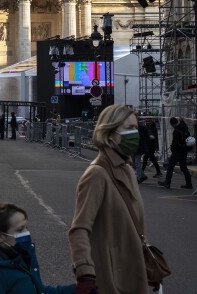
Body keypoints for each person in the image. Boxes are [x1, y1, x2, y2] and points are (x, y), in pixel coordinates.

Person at [69, 104, 151, 294]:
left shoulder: (127, 170)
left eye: (136, 128)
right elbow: (79, 229)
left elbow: (135, 226)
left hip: (132, 271)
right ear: (110, 133)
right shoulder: (97, 174)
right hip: (111, 278)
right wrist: (85, 273)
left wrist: (147, 264)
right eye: (129, 128)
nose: (135, 134)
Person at [0, 202, 74, 294]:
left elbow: (39, 290)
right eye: (20, 230)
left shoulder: (17, 257)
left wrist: (76, 289)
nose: (27, 233)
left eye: (26, 227)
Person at [158, 117, 194, 189]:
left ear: (172, 124)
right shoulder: (184, 127)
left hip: (177, 151)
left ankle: (167, 182)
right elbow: (184, 125)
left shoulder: (176, 131)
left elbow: (174, 143)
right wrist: (182, 121)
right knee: (184, 167)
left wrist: (172, 149)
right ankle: (189, 183)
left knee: (170, 166)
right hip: (184, 150)